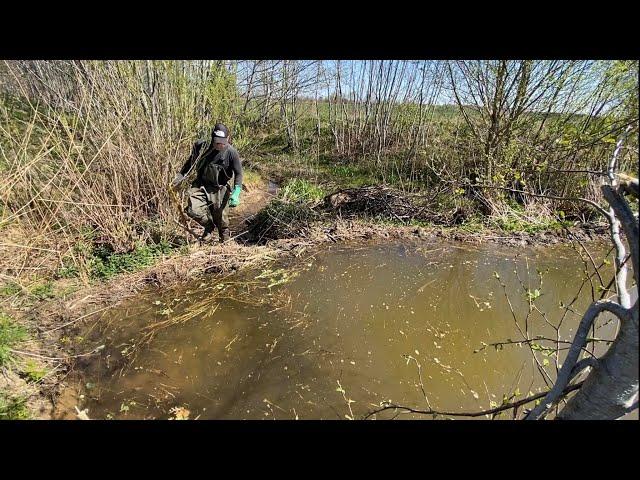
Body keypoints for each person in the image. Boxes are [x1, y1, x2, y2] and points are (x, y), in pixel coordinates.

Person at [171, 123, 243, 243]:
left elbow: (239, 173)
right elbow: (189, 164)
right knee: (192, 210)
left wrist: (236, 192)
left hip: (220, 188)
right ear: (212, 139)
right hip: (200, 185)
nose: (220, 144)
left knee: (221, 219)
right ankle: (209, 227)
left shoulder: (231, 153)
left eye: (223, 142)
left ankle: (224, 240)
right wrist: (180, 177)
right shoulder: (201, 147)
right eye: (217, 142)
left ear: (228, 138)